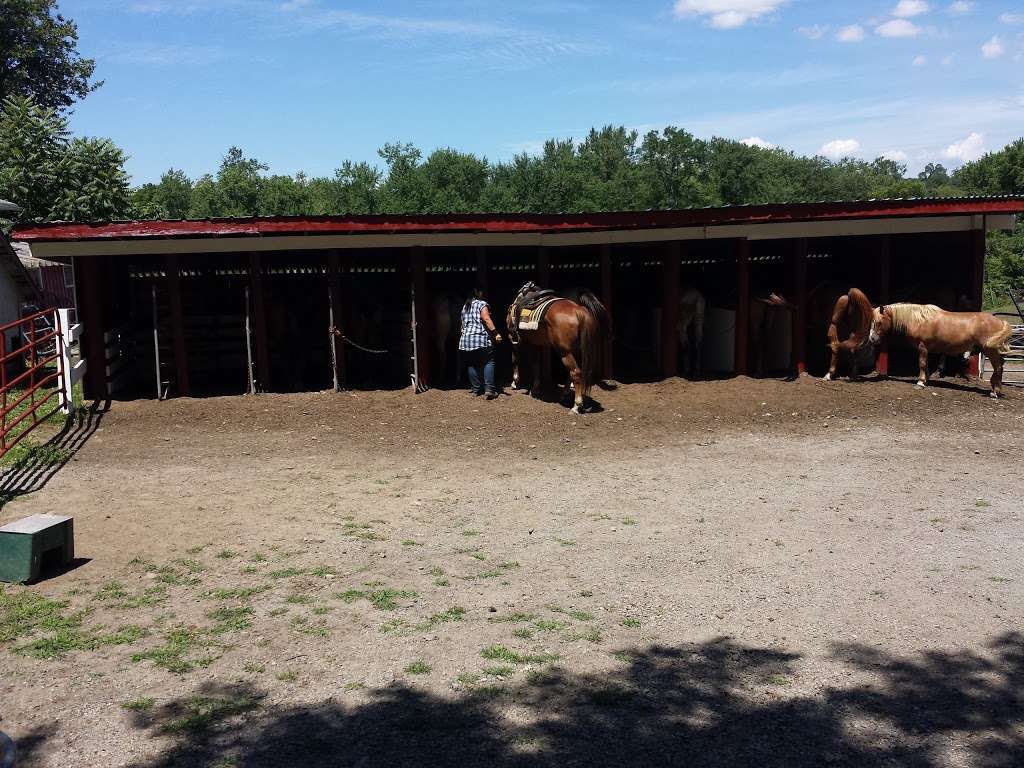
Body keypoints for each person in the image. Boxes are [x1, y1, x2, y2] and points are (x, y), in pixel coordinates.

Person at [458, 287, 502, 399]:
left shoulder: (465, 306)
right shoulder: (481, 304)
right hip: (480, 339)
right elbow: (486, 319)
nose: (483, 293)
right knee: (488, 361)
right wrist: (496, 333)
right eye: (481, 291)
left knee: (472, 363)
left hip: (466, 341)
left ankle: (476, 389)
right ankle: (489, 390)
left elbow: (462, 325)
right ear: (477, 292)